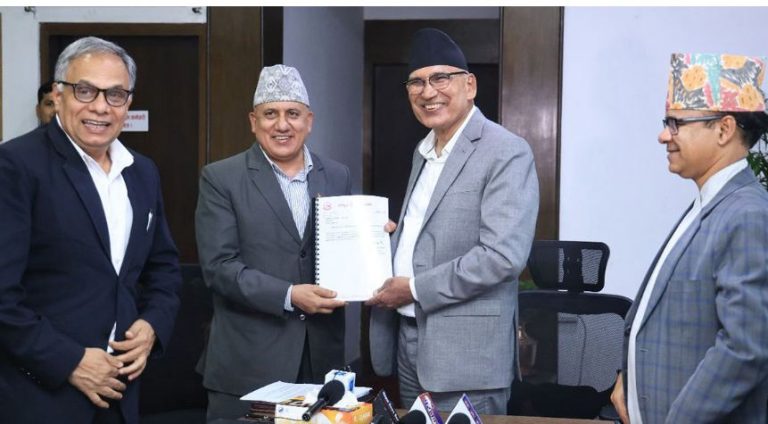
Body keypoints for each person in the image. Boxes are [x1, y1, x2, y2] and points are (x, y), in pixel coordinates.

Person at [0, 37, 181, 424]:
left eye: (115, 94)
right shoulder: (15, 165)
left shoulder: (142, 172)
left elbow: (163, 269)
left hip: (121, 395)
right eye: (85, 90)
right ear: (58, 94)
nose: (100, 106)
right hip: (40, 398)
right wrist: (70, 361)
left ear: (128, 103)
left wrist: (152, 324)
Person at [367, 28, 539, 414]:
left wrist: (413, 288)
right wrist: (390, 240)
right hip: (410, 343)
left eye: (440, 78)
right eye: (416, 82)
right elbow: (430, 231)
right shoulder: (423, 150)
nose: (428, 92)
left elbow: (501, 257)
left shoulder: (506, 151)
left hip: (466, 356)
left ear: (470, 85)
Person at [611, 53, 768, 423]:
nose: (664, 135)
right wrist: (626, 377)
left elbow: (744, 348)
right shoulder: (711, 203)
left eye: (676, 123)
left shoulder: (747, 214)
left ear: (724, 129)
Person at [195, 64, 351, 422]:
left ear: (309, 121)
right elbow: (219, 268)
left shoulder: (336, 174)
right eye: (270, 114)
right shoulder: (221, 178)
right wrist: (289, 295)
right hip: (248, 364)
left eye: (293, 114)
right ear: (253, 121)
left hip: (320, 362)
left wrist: (373, 237)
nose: (282, 125)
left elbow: (344, 249)